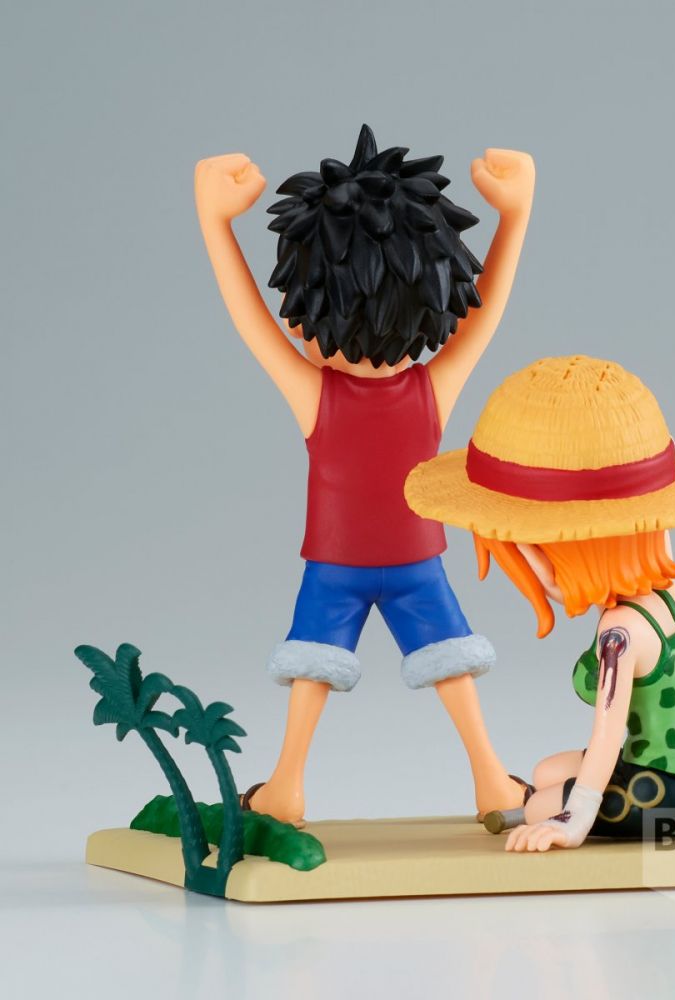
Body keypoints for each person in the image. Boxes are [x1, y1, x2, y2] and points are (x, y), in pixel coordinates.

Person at [195, 125, 535, 825]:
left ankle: (287, 787)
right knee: (450, 663)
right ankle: (491, 782)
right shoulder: (431, 388)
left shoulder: (314, 392)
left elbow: (248, 320)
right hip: (416, 562)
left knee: (312, 669)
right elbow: (488, 314)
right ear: (436, 293)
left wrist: (214, 224)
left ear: (307, 308)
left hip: (337, 565)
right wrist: (516, 216)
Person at [405, 355, 675, 851]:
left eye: (549, 557)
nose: (546, 581)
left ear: (578, 552)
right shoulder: (665, 592)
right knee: (545, 770)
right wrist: (518, 532)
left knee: (539, 803)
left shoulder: (619, 634)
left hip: (659, 790)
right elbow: (646, 521)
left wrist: (572, 817)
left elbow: (607, 732)